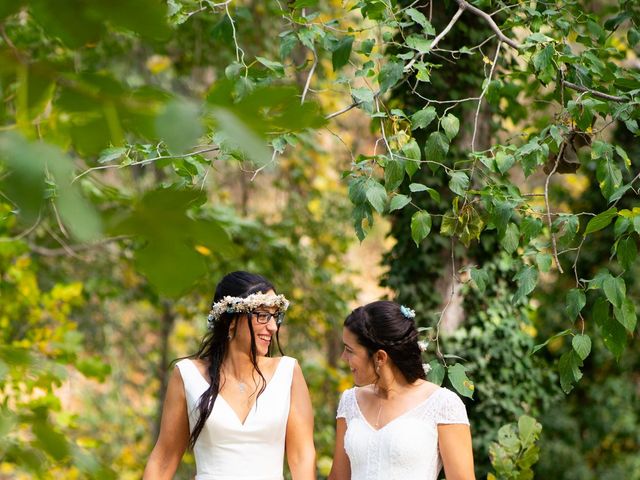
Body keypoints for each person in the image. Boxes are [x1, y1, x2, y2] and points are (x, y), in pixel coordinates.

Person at [143, 271, 316, 480]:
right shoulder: (187, 375)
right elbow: (164, 460)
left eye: (275, 316)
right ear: (231, 320)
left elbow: (302, 457)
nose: (272, 327)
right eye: (262, 315)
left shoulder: (288, 372)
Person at [328, 301, 475, 480]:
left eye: (350, 351)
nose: (343, 357)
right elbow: (338, 477)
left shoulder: (443, 404)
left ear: (380, 357)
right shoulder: (350, 401)